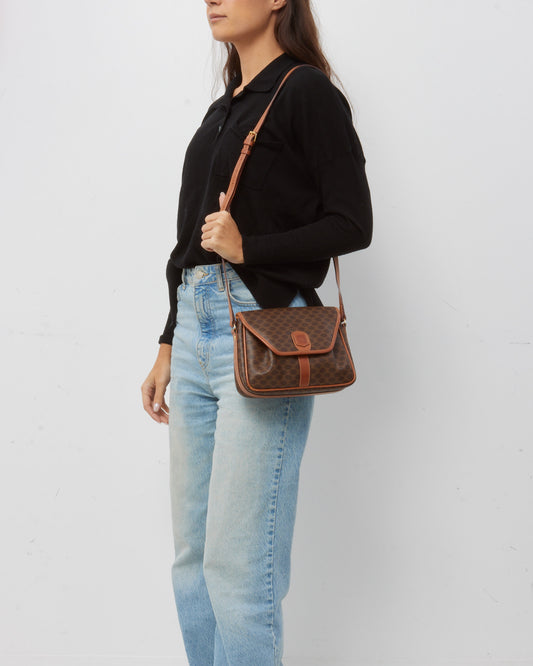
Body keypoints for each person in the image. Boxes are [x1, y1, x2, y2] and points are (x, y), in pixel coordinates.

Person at [141, 0, 373, 663]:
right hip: (194, 331)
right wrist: (168, 341)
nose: (211, 0)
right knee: (192, 561)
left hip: (262, 333)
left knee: (238, 569)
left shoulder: (305, 92)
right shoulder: (224, 109)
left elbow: (353, 222)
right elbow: (188, 242)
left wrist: (251, 248)